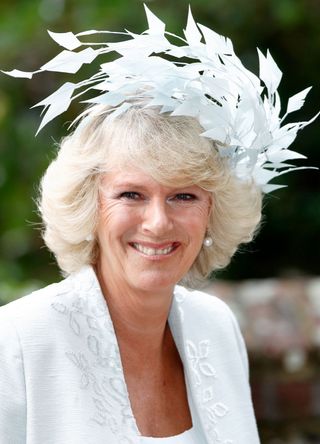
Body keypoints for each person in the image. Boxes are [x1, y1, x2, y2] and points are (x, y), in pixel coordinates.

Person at [0, 6, 316, 444]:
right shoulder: (17, 340)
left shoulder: (216, 327)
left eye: (183, 196)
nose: (157, 221)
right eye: (131, 194)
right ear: (90, 205)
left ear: (213, 211)